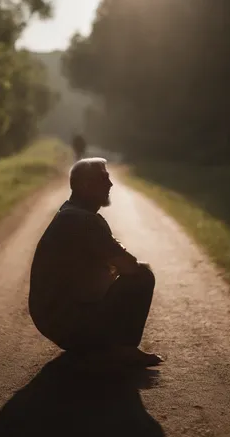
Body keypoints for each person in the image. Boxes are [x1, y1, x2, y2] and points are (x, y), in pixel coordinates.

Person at [28, 157, 163, 369]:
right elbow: (128, 266)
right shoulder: (85, 220)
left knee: (121, 276)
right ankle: (124, 350)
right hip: (68, 324)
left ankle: (102, 347)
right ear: (85, 186)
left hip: (54, 321)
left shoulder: (69, 211)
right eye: (104, 179)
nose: (110, 184)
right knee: (142, 276)